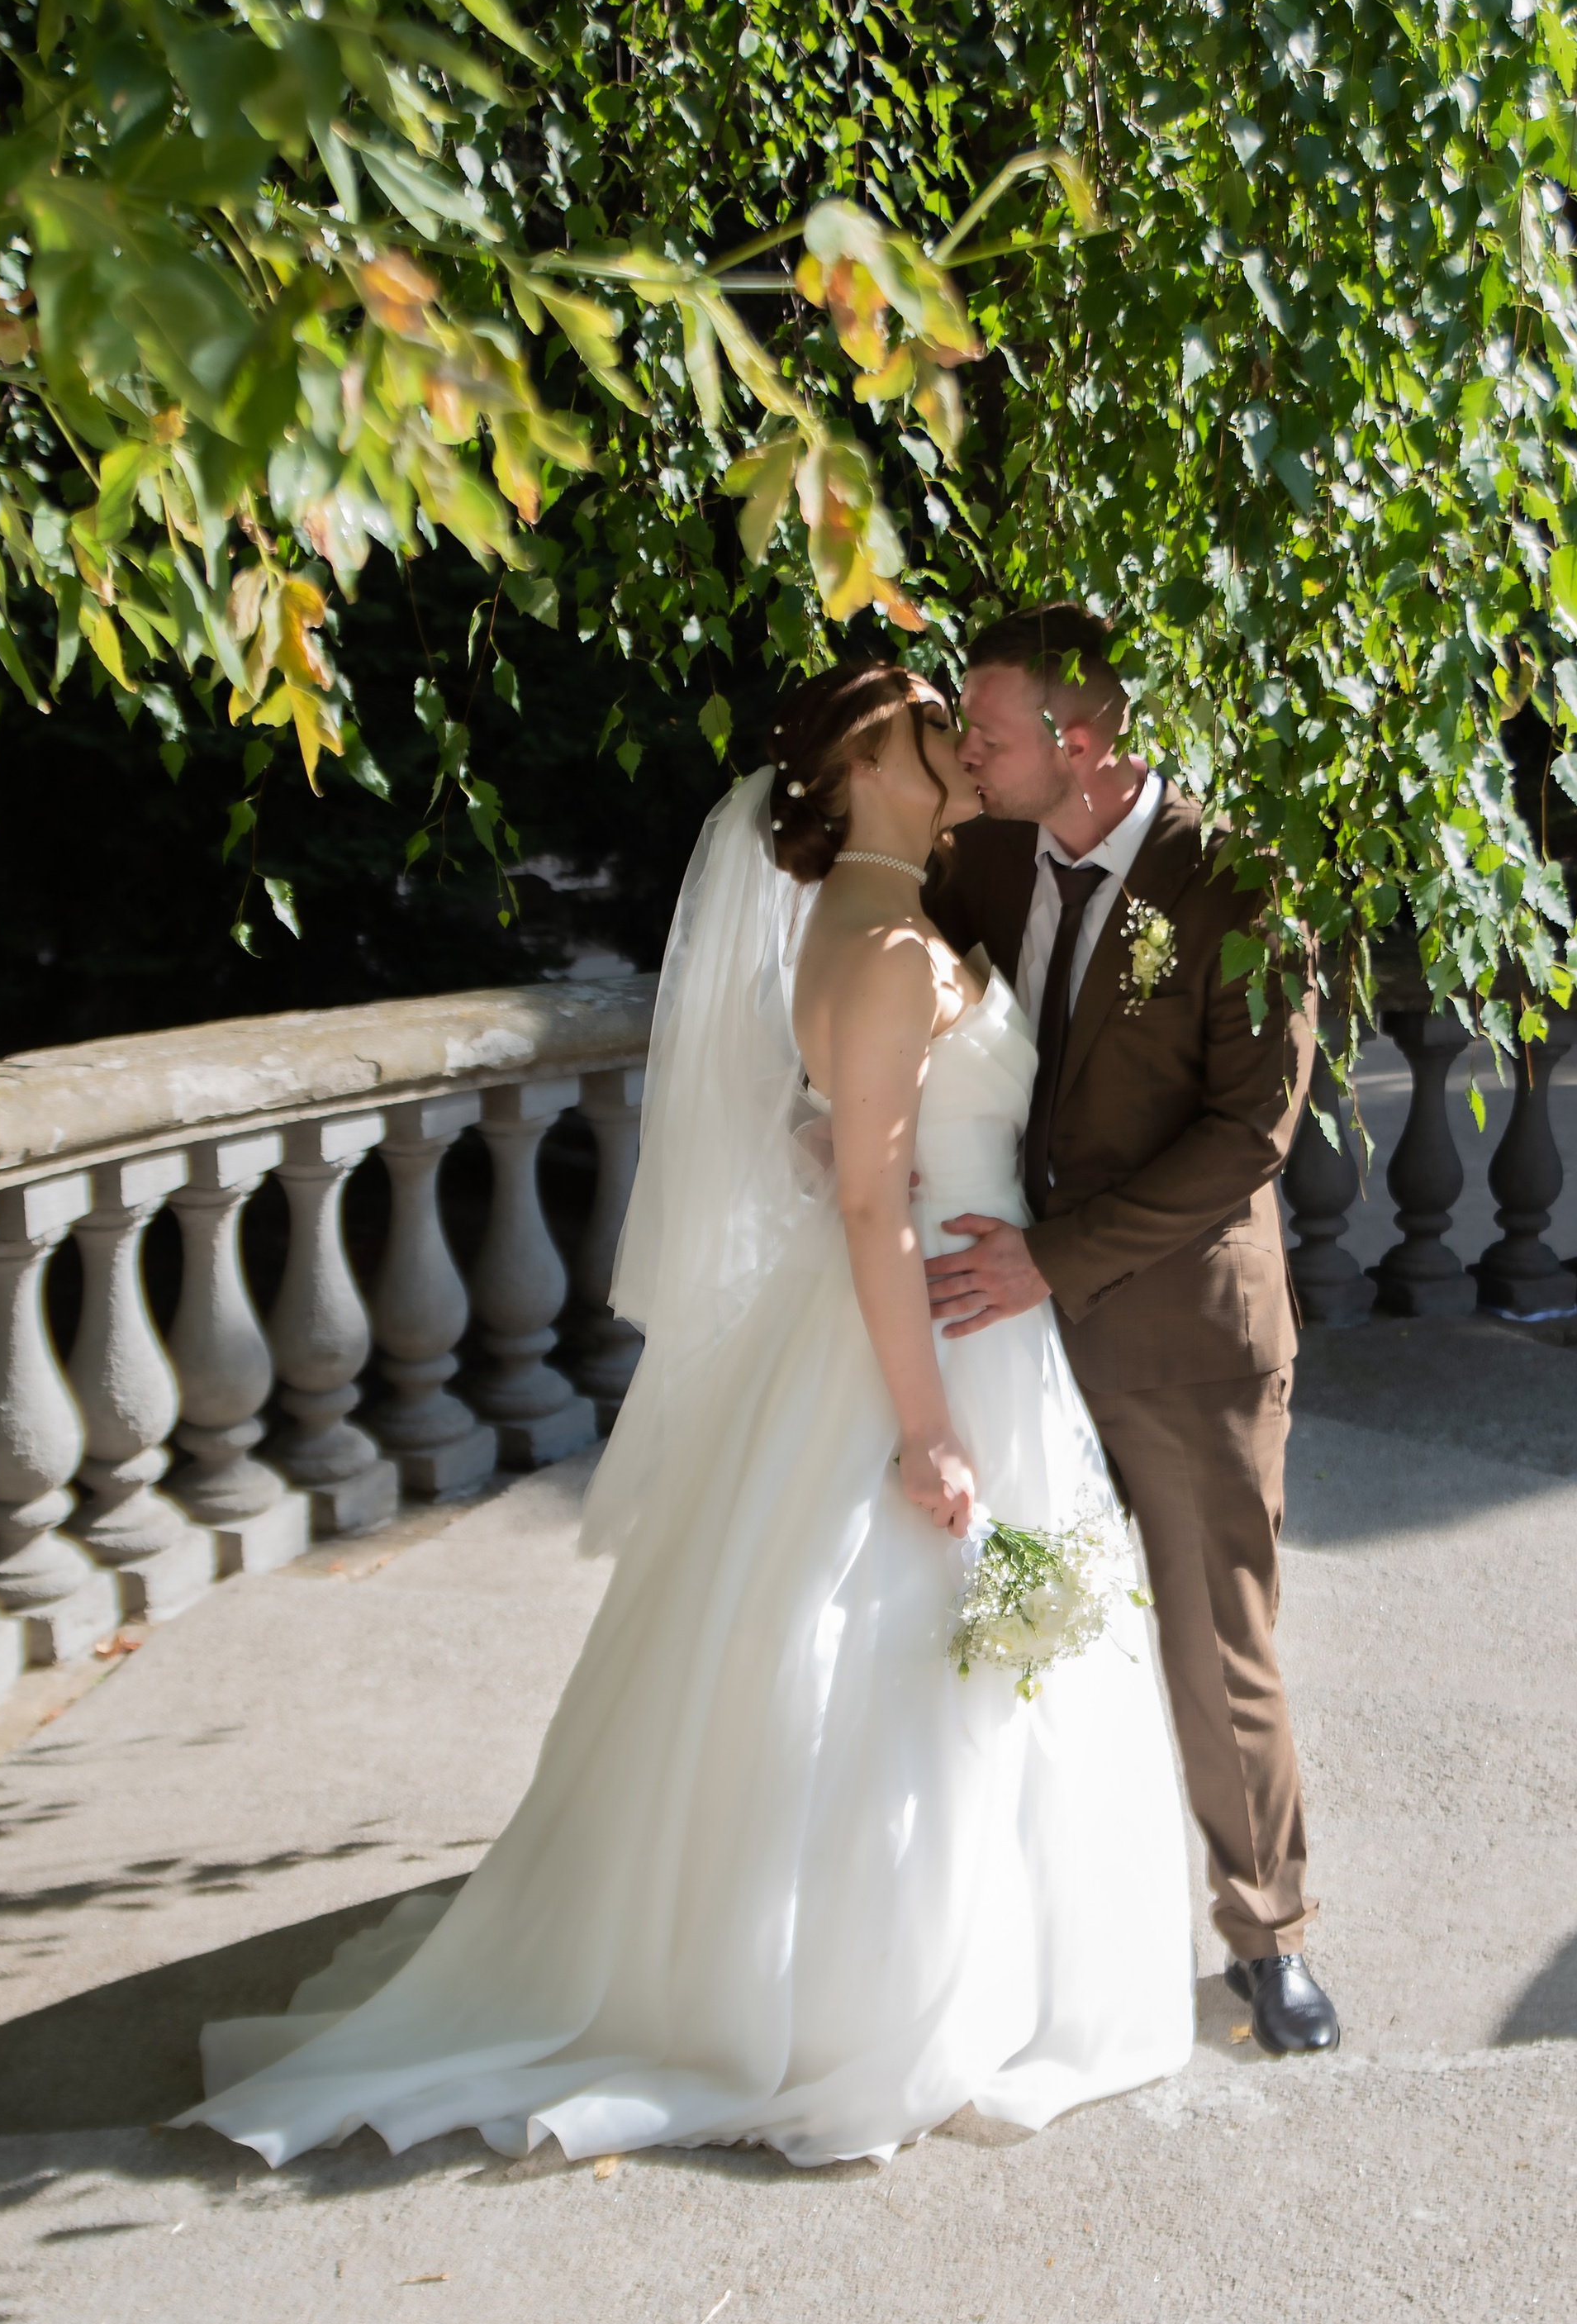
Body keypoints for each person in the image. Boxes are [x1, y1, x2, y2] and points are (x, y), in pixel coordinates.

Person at [178, 658, 1195, 2170]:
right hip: (925, 1336)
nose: (965, 753)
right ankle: (869, 1995)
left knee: (905, 1654)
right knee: (887, 1654)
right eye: (934, 733)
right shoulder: (890, 940)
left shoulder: (873, 918)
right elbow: (865, 1201)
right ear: (868, 763)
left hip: (951, 1311)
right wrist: (926, 1426)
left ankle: (956, 1958)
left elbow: (836, 1133)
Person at [922, 604, 1337, 2057]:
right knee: (989, 1614)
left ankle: (1266, 1934)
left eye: (988, 736)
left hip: (1179, 1336)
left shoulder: (1235, 885)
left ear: (1080, 745)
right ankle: (1015, 1925)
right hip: (1000, 1330)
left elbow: (1249, 1134)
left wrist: (1055, 1260)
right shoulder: (976, 853)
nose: (966, 758)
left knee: (1214, 1639)